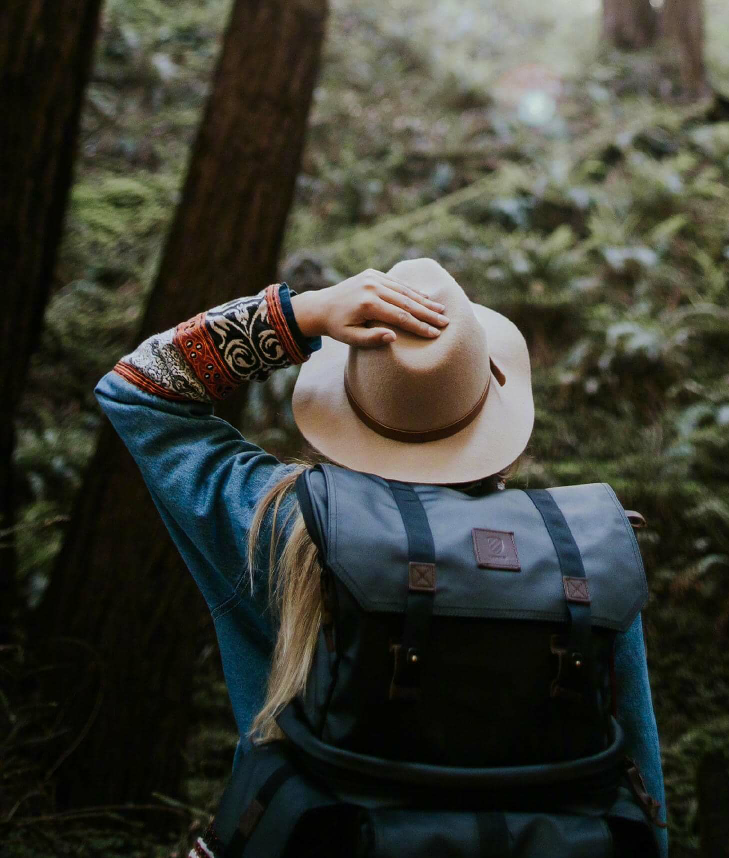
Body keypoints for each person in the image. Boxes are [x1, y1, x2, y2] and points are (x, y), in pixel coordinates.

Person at [98, 256, 668, 856]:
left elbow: (139, 389)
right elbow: (638, 780)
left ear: (348, 408)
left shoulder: (288, 530)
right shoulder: (580, 552)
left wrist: (300, 314)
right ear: (490, 401)